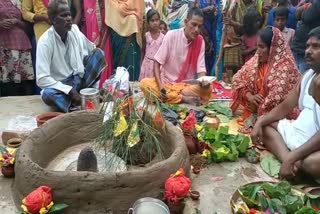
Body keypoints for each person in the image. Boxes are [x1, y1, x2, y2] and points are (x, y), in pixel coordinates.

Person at [251, 26, 320, 180]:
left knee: (311, 163)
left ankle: (294, 162)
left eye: (316, 47)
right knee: (266, 125)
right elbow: (284, 107)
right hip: (297, 134)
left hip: (314, 148)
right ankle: (292, 164)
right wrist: (260, 122)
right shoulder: (307, 76)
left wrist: (293, 156)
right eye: (308, 46)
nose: (308, 51)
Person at [36, 0, 106, 112]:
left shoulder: (75, 30)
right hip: (62, 84)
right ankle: (74, 104)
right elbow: (42, 79)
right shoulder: (45, 42)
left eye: (69, 14)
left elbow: (92, 50)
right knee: (48, 95)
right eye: (63, 16)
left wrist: (94, 88)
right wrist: (68, 90)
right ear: (53, 19)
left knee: (99, 54)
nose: (68, 18)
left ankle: (82, 97)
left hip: (79, 79)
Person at [231, 27, 300, 133]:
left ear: (273, 48)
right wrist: (249, 96)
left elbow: (276, 100)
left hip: (277, 116)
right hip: (254, 110)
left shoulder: (284, 66)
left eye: (262, 47)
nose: (258, 51)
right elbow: (237, 78)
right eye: (257, 46)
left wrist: (257, 108)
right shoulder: (257, 60)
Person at [140, 8, 212, 106]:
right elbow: (156, 63)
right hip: (166, 84)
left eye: (199, 26)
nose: (196, 30)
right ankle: (182, 99)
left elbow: (201, 69)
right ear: (186, 22)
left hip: (185, 87)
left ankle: (174, 96)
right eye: (194, 25)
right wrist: (161, 87)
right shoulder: (171, 36)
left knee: (208, 89)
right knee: (145, 84)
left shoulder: (200, 41)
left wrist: (203, 81)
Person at [0, 0, 35, 96]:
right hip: (4, 43)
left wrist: (17, 21)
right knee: (7, 81)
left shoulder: (18, 2)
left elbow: (27, 26)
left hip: (21, 42)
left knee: (25, 81)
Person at [106, 0, 144, 81]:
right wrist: (119, 9)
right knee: (117, 70)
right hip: (116, 35)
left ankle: (131, 84)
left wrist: (123, 9)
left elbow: (137, 6)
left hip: (132, 38)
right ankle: (117, 86)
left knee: (131, 62)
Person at [291, 0, 320, 74]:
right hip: (301, 48)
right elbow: (297, 14)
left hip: (303, 50)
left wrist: (304, 8)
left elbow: (306, 16)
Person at [139, 9, 165, 80]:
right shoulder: (146, 36)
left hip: (157, 66)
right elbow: (143, 51)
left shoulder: (163, 37)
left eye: (157, 20)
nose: (155, 23)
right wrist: (141, 65)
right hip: (146, 65)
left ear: (159, 20)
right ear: (148, 23)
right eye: (152, 21)